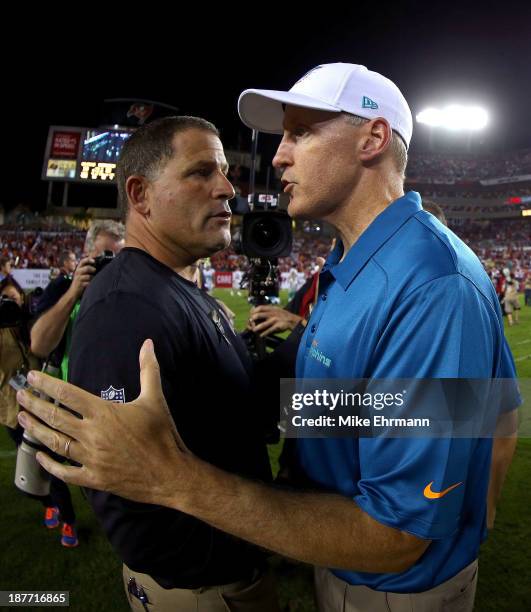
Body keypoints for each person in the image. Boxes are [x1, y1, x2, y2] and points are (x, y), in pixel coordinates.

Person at [17, 65, 519, 611]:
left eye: (300, 133)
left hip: (391, 589)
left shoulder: (431, 283)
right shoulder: (354, 260)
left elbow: (397, 536)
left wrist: (173, 477)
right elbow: (447, 408)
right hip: (341, 566)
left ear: (372, 139)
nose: (278, 156)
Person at [26, 116, 279, 612]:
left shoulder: (171, 288)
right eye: (201, 172)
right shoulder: (126, 309)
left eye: (225, 172)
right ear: (140, 196)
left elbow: (234, 406)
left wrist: (386, 408)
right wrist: (227, 560)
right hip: (203, 591)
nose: (228, 189)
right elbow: (124, 496)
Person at [0, 277, 77, 546]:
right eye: (4, 300)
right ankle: (48, 503)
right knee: (27, 466)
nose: (11, 304)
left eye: (14, 298)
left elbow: (46, 348)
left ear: (22, 298)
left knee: (48, 466)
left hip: (41, 405)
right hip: (11, 410)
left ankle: (68, 522)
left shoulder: (32, 322)